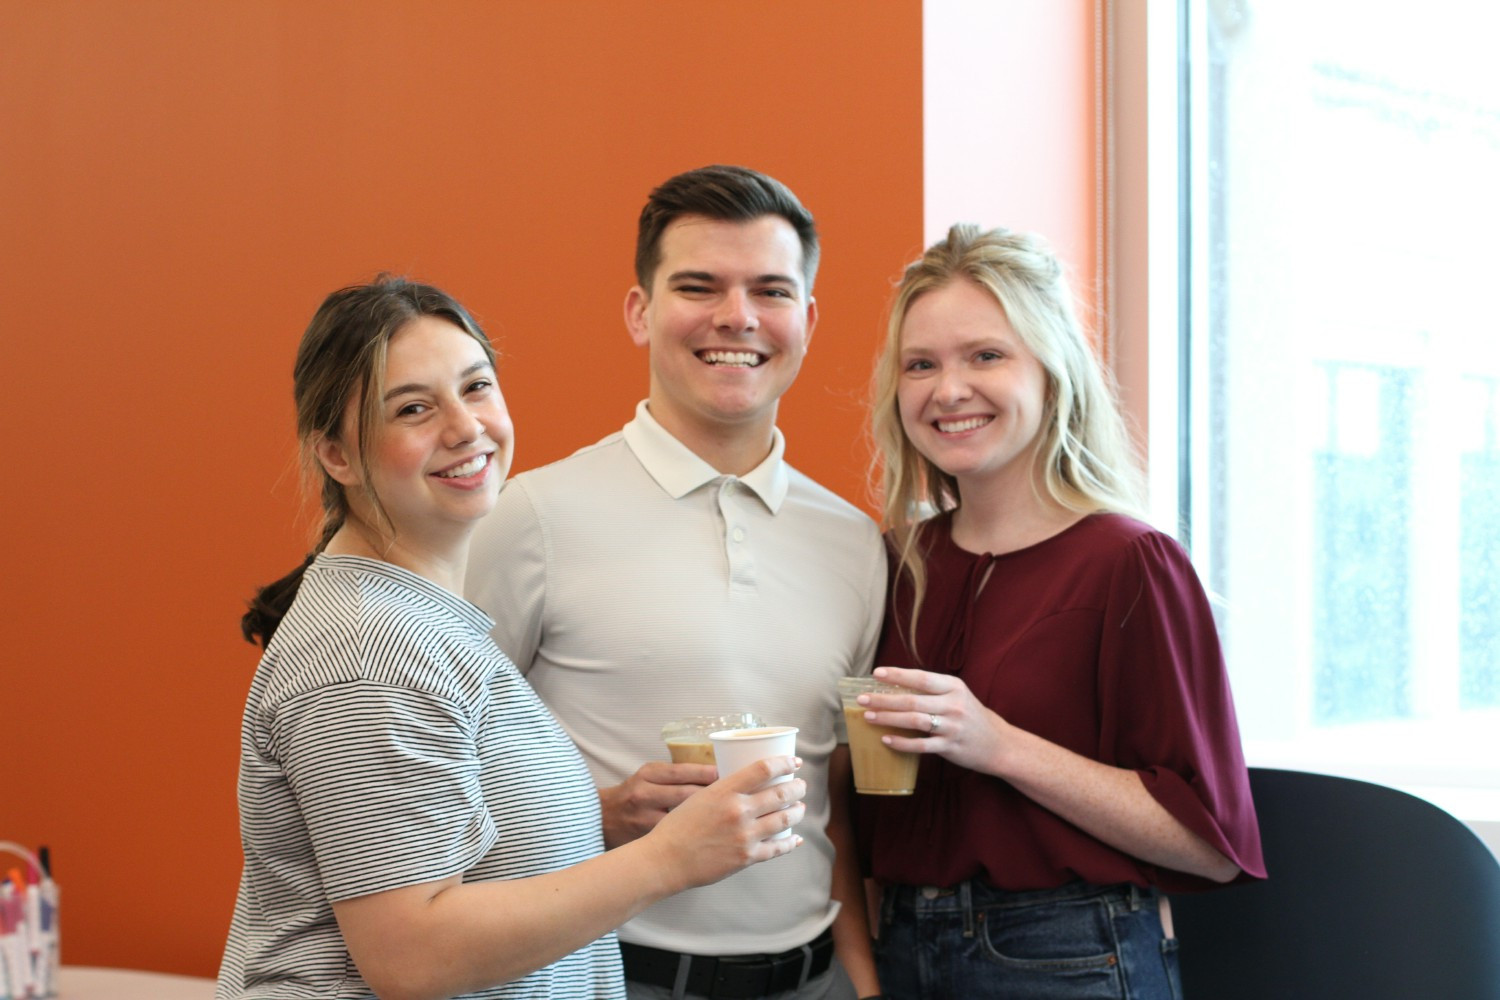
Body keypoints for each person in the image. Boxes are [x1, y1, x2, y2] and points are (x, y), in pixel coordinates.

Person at [217, 276, 808, 1000]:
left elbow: (441, 846)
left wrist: (601, 817)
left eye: (476, 387)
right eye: (413, 409)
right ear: (337, 456)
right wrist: (672, 860)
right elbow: (412, 954)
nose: (466, 428)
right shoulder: (369, 651)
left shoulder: (424, 622)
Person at [466, 165, 886, 1000]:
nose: (737, 317)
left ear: (806, 319)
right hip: (606, 978)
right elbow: (442, 768)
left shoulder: (857, 543)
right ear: (640, 312)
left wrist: (864, 985)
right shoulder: (533, 517)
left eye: (769, 291)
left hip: (816, 982)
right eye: (700, 286)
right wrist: (601, 812)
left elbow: (836, 800)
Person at [854, 224, 1267, 1000]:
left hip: (1065, 954)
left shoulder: (1130, 562)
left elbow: (1210, 844)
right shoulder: (894, 562)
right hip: (899, 948)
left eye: (986, 355)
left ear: (1052, 372)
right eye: (921, 364)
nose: (948, 390)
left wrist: (999, 744)